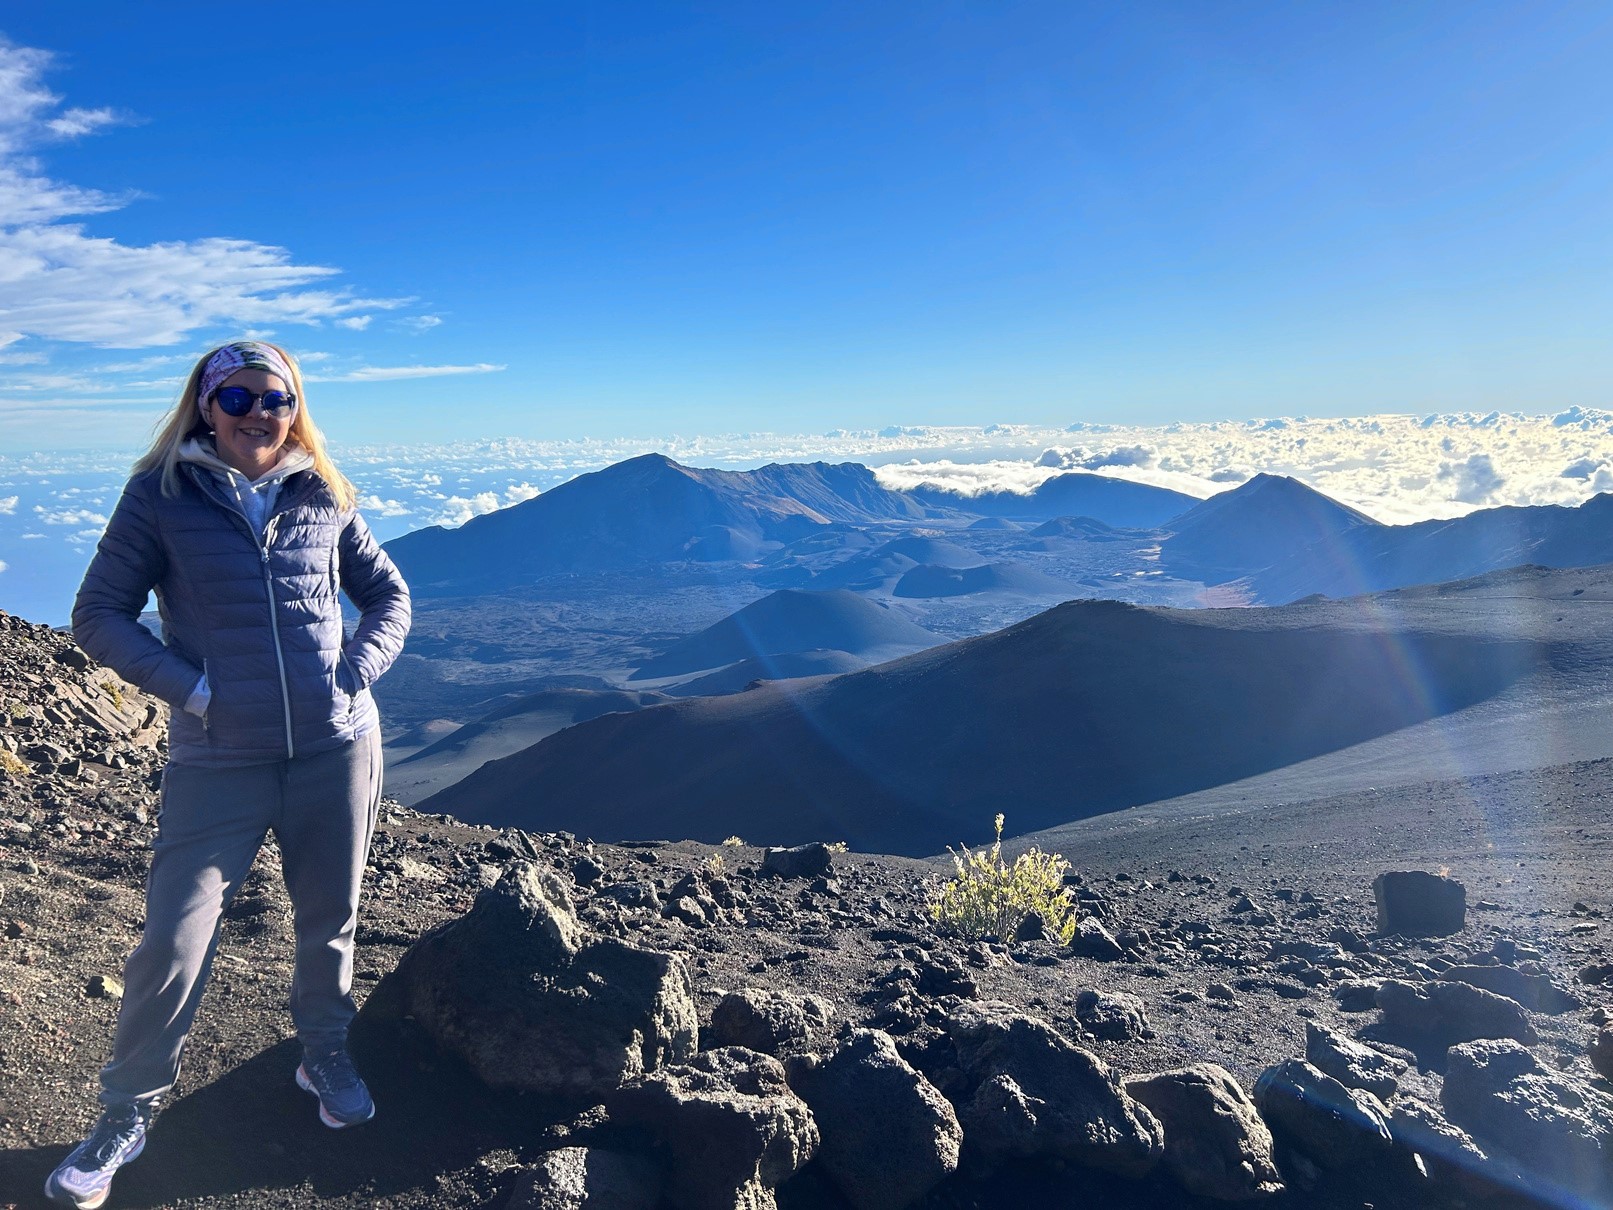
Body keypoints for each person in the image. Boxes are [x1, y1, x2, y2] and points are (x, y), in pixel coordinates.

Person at [47, 340, 411, 1209]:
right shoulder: (162, 495)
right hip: (219, 757)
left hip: (338, 747)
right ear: (205, 404)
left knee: (331, 917)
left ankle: (323, 1053)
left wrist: (353, 673)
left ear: (296, 404)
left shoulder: (321, 487)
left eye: (274, 397)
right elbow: (98, 613)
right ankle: (125, 1112)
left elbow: (388, 595)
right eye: (237, 398)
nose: (258, 415)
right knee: (174, 939)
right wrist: (196, 693)